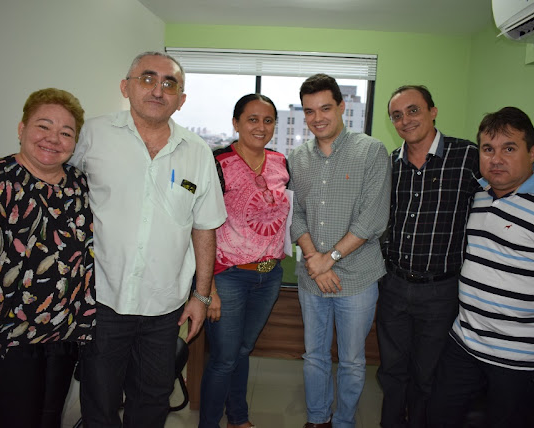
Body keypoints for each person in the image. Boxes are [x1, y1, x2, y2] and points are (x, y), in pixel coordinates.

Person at [70, 51, 226, 427]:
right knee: (99, 400)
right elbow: (60, 193)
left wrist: (202, 296)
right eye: (148, 78)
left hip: (165, 306)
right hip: (102, 300)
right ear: (126, 87)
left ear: (181, 99)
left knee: (153, 400)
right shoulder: (92, 135)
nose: (158, 90)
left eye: (169, 83)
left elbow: (204, 228)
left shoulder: (198, 152)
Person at [0, 88, 95, 427]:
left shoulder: (80, 186)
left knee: (49, 422)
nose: (53, 139)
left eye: (66, 132)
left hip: (65, 335)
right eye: (43, 126)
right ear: (21, 128)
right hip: (7, 339)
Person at [427, 107, 534, 428]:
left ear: (532, 152)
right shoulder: (479, 196)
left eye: (509, 148)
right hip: (464, 343)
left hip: (520, 360)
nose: (496, 159)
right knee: (438, 417)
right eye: (488, 149)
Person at [288, 74, 391, 428]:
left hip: (358, 278)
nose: (317, 118)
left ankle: (344, 422)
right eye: (309, 111)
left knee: (351, 361)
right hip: (312, 279)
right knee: (314, 355)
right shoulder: (297, 158)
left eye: (325, 108)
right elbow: (295, 214)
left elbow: (373, 218)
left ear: (342, 107)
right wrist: (315, 262)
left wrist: (327, 259)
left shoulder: (371, 151)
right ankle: (318, 419)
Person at [377, 85, 481, 427]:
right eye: (397, 115)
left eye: (413, 110)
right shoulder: (391, 164)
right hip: (394, 285)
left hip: (441, 290)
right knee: (392, 371)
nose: (405, 120)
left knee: (428, 374)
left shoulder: (467, 157)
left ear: (433, 112)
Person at [199, 94, 290, 428]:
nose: (260, 127)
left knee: (242, 350)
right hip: (228, 276)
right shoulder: (218, 163)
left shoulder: (281, 162)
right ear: (236, 123)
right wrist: (207, 287)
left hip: (269, 275)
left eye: (268, 120)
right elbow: (200, 225)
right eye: (252, 119)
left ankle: (238, 418)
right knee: (224, 358)